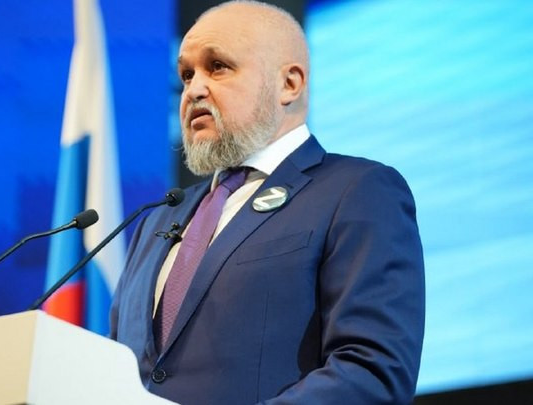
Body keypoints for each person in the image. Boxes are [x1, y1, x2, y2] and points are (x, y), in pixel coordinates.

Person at [110, 1, 425, 404]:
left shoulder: (356, 191)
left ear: (289, 84)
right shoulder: (154, 223)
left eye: (218, 67)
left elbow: (373, 372)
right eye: (187, 74)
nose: (194, 90)